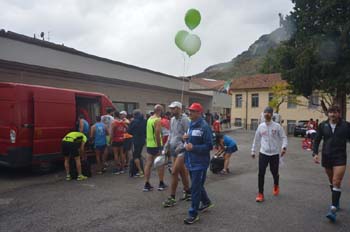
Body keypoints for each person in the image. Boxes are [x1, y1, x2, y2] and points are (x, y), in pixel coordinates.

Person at [312, 105, 350, 222]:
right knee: (331, 181)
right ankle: (336, 200)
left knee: (336, 181)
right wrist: (315, 153)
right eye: (330, 112)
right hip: (327, 157)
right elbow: (317, 140)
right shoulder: (323, 125)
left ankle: (333, 210)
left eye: (335, 112)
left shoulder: (346, 126)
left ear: (339, 113)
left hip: (340, 157)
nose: (332, 115)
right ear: (328, 114)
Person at [183, 102, 213, 225]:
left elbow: (209, 146)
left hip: (200, 163)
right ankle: (206, 202)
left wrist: (194, 147)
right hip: (191, 161)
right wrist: (185, 139)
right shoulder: (191, 124)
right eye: (190, 110)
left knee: (195, 188)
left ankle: (193, 214)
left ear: (199, 113)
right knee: (198, 186)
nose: (190, 113)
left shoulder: (204, 127)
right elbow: (191, 142)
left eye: (193, 111)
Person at [251, 106, 288, 203]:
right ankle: (260, 193)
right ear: (263, 114)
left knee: (274, 172)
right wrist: (253, 150)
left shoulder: (277, 126)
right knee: (261, 173)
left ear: (272, 115)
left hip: (275, 154)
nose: (267, 114)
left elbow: (284, 137)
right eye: (265, 113)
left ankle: (276, 184)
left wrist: (284, 147)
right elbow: (256, 139)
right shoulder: (260, 126)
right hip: (263, 153)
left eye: (269, 113)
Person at [162, 101, 191, 208]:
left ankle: (172, 197)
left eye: (173, 108)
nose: (171, 110)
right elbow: (171, 134)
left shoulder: (185, 120)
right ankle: (188, 192)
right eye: (171, 108)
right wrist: (166, 147)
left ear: (179, 109)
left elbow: (189, 136)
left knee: (174, 172)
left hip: (182, 150)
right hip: (174, 149)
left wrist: (182, 146)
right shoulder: (172, 119)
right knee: (182, 172)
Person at [143, 105, 167, 192]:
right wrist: (159, 146)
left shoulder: (150, 119)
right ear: (160, 111)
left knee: (148, 164)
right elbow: (157, 133)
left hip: (149, 145)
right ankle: (161, 184)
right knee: (160, 164)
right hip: (156, 145)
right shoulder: (157, 119)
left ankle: (146, 184)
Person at [128, 109, 146, 177]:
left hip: (135, 141)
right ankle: (138, 170)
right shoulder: (144, 121)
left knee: (135, 156)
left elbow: (129, 131)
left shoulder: (133, 121)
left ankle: (140, 171)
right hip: (142, 140)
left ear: (134, 115)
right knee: (138, 155)